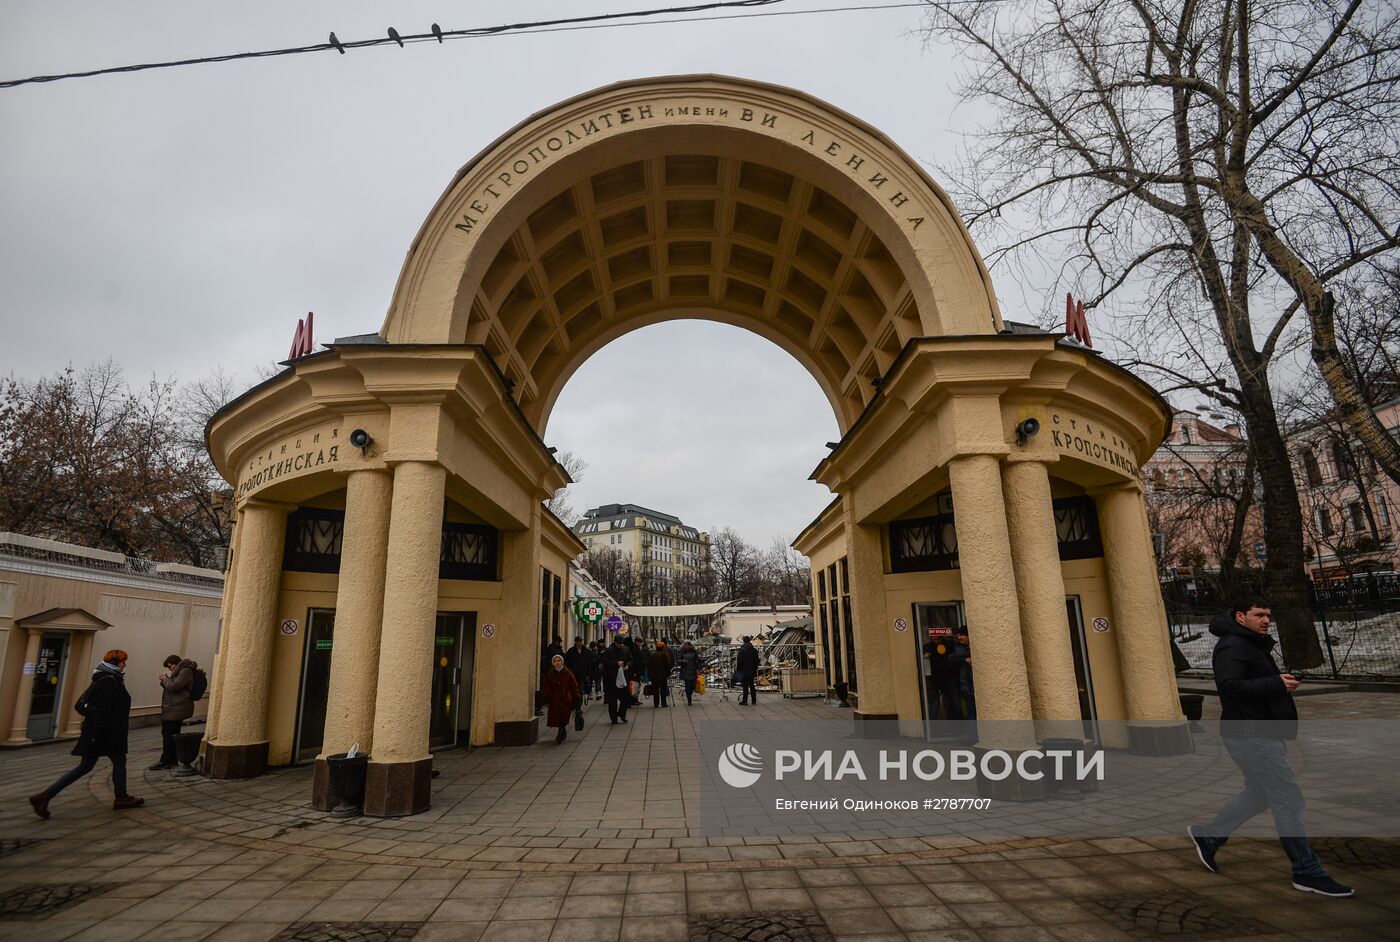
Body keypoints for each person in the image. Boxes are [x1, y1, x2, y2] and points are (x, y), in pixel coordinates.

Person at [1188, 597, 1354, 898]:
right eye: (1259, 615)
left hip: (1258, 732)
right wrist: (1277, 683)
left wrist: (1277, 682)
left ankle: (1209, 835)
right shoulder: (1234, 646)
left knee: (1260, 793)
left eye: (1268, 615)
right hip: (1253, 735)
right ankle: (1307, 871)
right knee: (1288, 799)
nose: (1266, 620)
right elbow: (1229, 687)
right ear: (1240, 616)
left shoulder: (1250, 643)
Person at [29, 649, 143, 818]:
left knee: (87, 766)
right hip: (106, 733)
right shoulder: (109, 681)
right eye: (123, 661)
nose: (125, 664)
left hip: (100, 733)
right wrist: (97, 734)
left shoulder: (104, 677)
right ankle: (121, 797)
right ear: (115, 663)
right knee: (117, 761)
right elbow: (102, 710)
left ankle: (45, 796)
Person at [150, 653, 198, 770]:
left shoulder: (185, 671)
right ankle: (171, 759)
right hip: (174, 708)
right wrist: (167, 680)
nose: (170, 669)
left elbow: (175, 686)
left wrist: (165, 679)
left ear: (176, 663)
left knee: (168, 735)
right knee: (170, 735)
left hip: (176, 708)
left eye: (170, 666)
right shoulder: (181, 671)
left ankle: (167, 760)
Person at [541, 654, 582, 744]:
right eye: (555, 661)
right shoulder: (550, 674)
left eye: (559, 661)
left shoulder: (568, 673)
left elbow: (574, 686)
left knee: (564, 716)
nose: (557, 663)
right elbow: (545, 687)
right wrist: (547, 696)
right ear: (553, 663)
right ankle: (562, 731)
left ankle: (561, 732)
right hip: (554, 700)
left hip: (566, 699)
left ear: (562, 662)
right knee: (557, 717)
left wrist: (577, 697)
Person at [603, 638, 634, 724]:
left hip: (623, 677)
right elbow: (605, 662)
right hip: (612, 678)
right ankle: (614, 718)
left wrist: (627, 665)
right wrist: (616, 663)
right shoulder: (609, 650)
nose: (620, 645)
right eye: (619, 643)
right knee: (612, 700)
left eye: (621, 643)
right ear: (615, 642)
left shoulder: (626, 649)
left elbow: (631, 659)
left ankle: (622, 714)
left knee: (625, 698)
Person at [948, 629, 976, 721]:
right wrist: (965, 659)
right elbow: (951, 659)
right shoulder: (959, 649)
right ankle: (974, 735)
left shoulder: (976, 647)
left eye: (962, 635)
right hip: (967, 687)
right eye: (959, 635)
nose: (959, 637)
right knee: (971, 713)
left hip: (978, 686)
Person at [563, 637, 590, 706]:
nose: (580, 643)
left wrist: (587, 674)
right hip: (573, 674)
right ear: (575, 642)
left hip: (582, 674)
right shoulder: (571, 651)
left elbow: (588, 663)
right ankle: (573, 704)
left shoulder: (586, 651)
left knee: (580, 690)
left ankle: (578, 706)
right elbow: (567, 662)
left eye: (580, 641)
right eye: (578, 641)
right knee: (573, 689)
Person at [648, 640, 674, 708]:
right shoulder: (664, 654)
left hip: (654, 675)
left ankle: (656, 704)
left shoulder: (652, 654)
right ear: (663, 647)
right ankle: (663, 703)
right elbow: (667, 665)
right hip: (663, 675)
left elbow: (650, 665)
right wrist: (669, 673)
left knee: (655, 690)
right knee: (663, 689)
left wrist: (650, 675)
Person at [736, 636, 760, 706]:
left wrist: (738, 670)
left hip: (744, 670)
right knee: (752, 685)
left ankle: (745, 700)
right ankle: (754, 700)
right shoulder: (754, 650)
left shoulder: (742, 650)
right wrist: (755, 668)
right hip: (752, 670)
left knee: (745, 686)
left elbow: (740, 661)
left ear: (743, 641)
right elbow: (757, 660)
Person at [677, 641, 702, 705]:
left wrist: (699, 668)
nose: (687, 646)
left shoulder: (694, 651)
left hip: (693, 670)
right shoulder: (682, 651)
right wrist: (683, 661)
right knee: (687, 686)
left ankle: (689, 694)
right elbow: (678, 660)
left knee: (693, 686)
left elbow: (697, 660)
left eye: (688, 645)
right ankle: (689, 700)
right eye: (686, 645)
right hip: (685, 671)